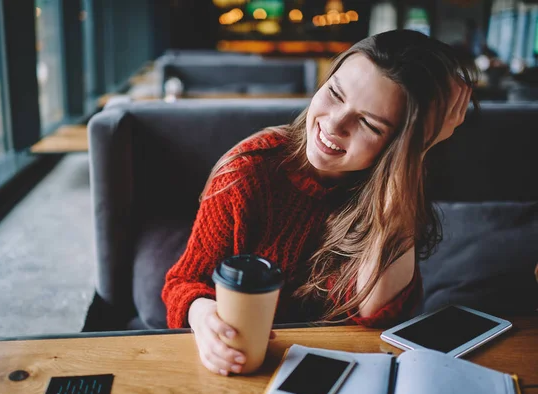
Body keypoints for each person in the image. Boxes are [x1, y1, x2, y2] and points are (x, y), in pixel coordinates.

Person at [162, 29, 476, 376]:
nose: (334, 124)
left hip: (345, 371)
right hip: (251, 370)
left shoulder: (389, 188)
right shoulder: (249, 170)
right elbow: (183, 283)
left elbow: (376, 310)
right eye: (334, 93)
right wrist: (200, 313)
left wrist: (416, 150)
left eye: (368, 124)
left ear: (398, 147)